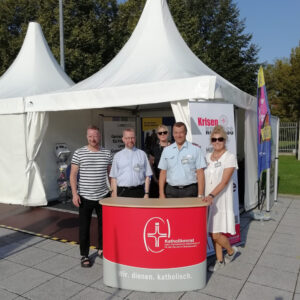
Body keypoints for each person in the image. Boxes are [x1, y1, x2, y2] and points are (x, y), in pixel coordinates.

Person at [70, 125, 112, 268]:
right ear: (86, 136)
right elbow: (73, 175)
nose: (93, 139)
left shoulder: (107, 153)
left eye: (95, 136)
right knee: (84, 227)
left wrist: (112, 192)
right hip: (85, 197)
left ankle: (102, 249)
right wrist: (75, 194)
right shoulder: (79, 153)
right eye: (90, 136)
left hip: (103, 196)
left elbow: (110, 174)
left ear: (99, 136)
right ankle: (84, 255)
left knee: (103, 226)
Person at [203, 125, 239, 272]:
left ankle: (231, 251)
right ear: (211, 141)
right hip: (208, 200)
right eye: (214, 139)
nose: (217, 141)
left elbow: (224, 182)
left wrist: (212, 195)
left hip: (220, 199)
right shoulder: (207, 157)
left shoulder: (230, 157)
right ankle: (219, 260)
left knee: (215, 233)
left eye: (220, 139)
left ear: (225, 140)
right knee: (213, 231)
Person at [158, 122, 206, 198]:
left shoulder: (196, 150)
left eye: (181, 132)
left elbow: (200, 173)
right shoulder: (166, 150)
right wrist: (161, 193)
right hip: (171, 191)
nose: (178, 135)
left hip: (190, 191)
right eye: (176, 133)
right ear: (173, 134)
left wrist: (200, 194)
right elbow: (163, 173)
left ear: (185, 133)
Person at [110, 128, 152, 198]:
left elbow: (148, 175)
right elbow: (113, 177)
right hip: (122, 192)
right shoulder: (117, 156)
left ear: (135, 139)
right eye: (127, 138)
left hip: (139, 192)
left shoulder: (142, 154)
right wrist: (114, 193)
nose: (130, 140)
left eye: (132, 138)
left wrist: (147, 193)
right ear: (123, 139)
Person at [149, 125, 170, 197]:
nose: (163, 134)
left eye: (164, 132)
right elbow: (151, 165)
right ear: (157, 135)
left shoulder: (174, 147)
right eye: (160, 133)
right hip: (156, 181)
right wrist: (155, 179)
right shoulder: (154, 148)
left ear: (168, 133)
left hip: (170, 182)